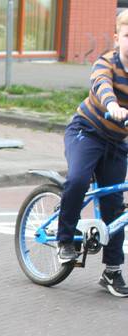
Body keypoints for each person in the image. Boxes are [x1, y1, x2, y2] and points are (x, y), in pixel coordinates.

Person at [56, 11, 128, 297]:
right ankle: (64, 241)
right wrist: (112, 105)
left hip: (117, 142)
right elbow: (101, 85)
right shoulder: (107, 62)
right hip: (87, 131)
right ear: (116, 38)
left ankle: (112, 270)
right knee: (78, 179)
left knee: (114, 203)